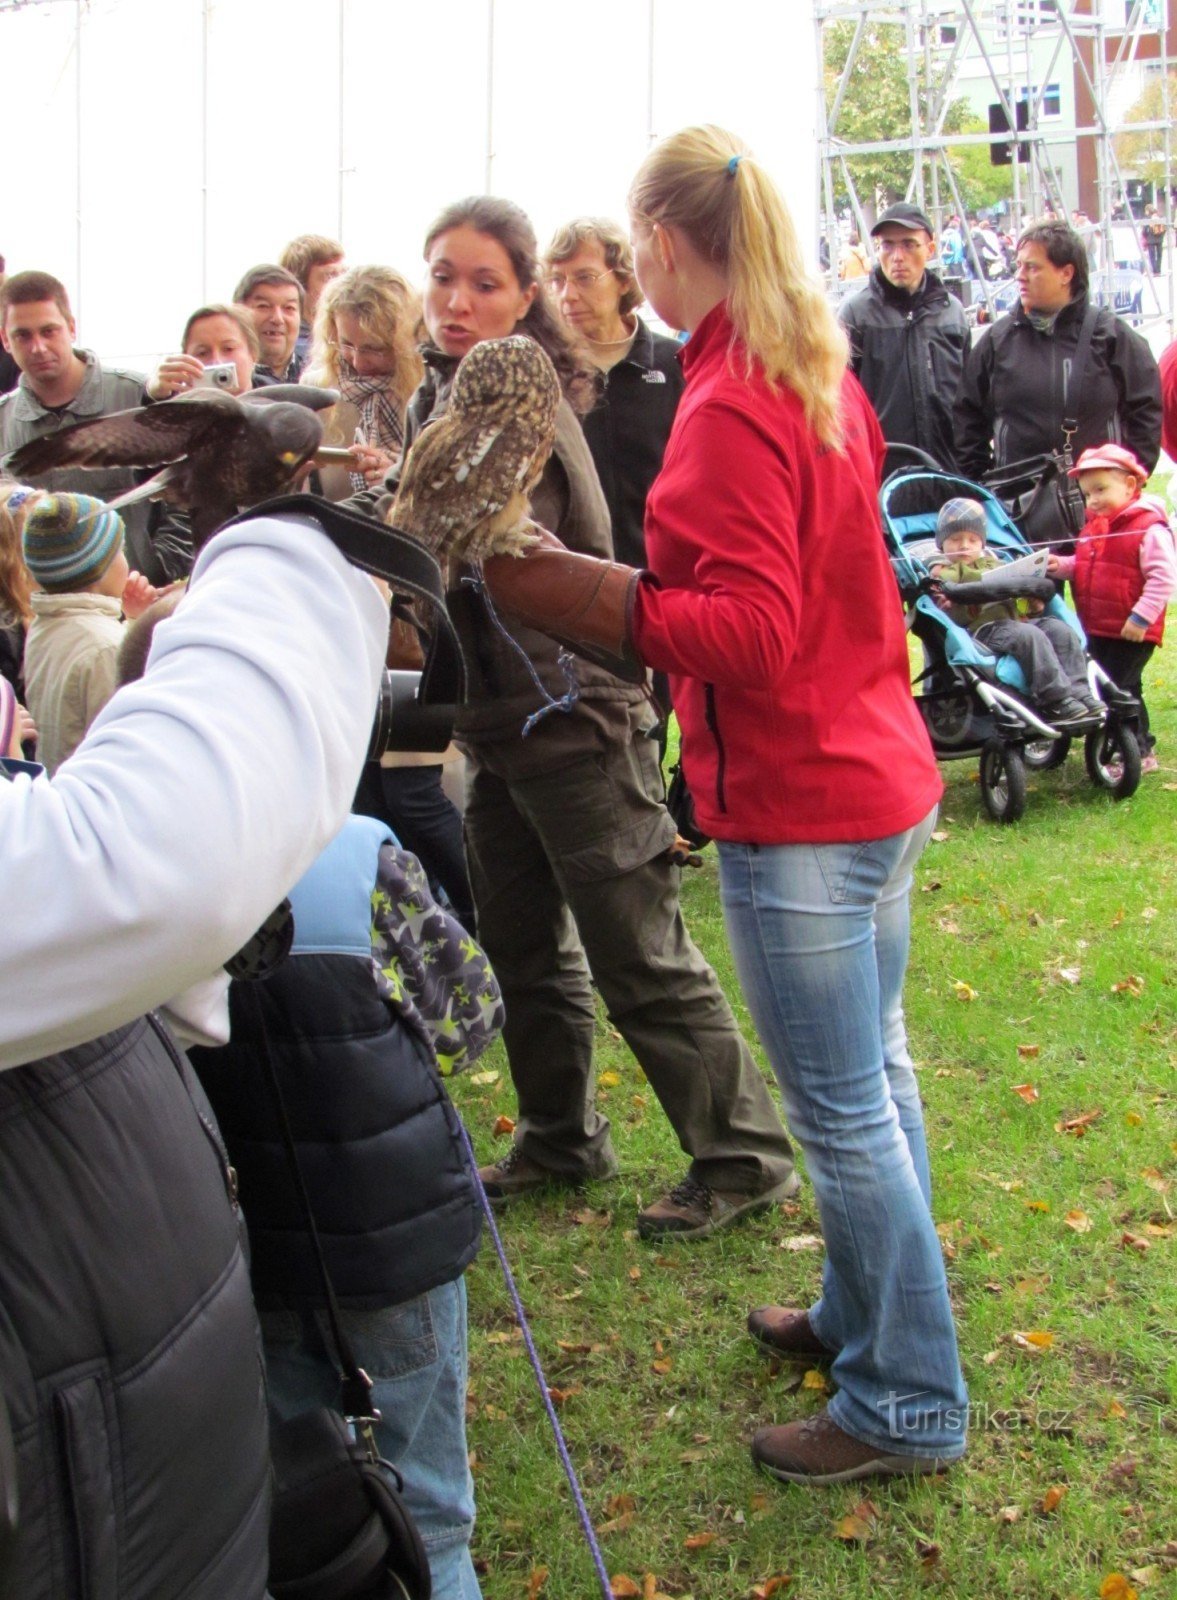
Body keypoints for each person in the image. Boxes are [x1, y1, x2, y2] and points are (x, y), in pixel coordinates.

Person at [480, 124, 968, 1483]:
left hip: (812, 800)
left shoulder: (742, 395)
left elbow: (752, 629)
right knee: (876, 1084)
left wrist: (591, 593)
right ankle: (863, 1318)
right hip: (868, 777)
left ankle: (906, 1404)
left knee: (847, 1114)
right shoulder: (797, 364)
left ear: (662, 242)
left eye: (630, 242)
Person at [351, 195, 797, 1241]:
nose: (455, 301)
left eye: (483, 282)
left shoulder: (520, 401)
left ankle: (743, 1154)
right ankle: (560, 1132)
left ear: (526, 296)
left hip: (575, 716)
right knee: (520, 943)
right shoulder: (442, 402)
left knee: (634, 949)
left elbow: (508, 560)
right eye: (441, 276)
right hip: (496, 724)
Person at [0, 500, 388, 1598]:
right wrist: (286, 536)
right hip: (84, 1511)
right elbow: (147, 871)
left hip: (142, 1460)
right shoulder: (352, 855)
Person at [189, 803, 503, 1600]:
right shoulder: (360, 851)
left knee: (300, 1503)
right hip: (392, 1242)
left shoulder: (118, 867)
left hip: (231, 1253)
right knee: (428, 1511)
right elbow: (468, 1020)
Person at [304, 265, 475, 931]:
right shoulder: (328, 401)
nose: (356, 361)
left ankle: (480, 911)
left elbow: (435, 511)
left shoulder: (427, 400)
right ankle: (413, 917)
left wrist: (392, 481)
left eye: (371, 347)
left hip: (412, 625)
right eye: (344, 346)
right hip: (352, 620)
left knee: (415, 787)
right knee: (370, 787)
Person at [543, 215, 684, 724]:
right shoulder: (542, 371)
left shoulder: (674, 363)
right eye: (555, 280)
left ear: (624, 279)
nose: (567, 294)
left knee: (667, 727)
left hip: (663, 586)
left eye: (583, 277)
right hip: (574, 590)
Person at [955, 221, 1162, 483]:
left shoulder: (1113, 337)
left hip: (1097, 508)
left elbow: (1146, 414)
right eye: (1018, 265)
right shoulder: (997, 341)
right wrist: (983, 486)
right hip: (1016, 508)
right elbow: (967, 417)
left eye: (1032, 267)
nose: (1020, 275)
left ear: (1066, 274)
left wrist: (1121, 485)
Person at [0, 270, 153, 570]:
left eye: (49, 331)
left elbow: (182, 496)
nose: (38, 347)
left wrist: (160, 567)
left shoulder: (136, 397)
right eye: (23, 335)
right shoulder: (2, 421)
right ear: (5, 339)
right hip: (40, 608)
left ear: (71, 328)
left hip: (135, 600)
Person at [1047, 444, 1176, 772]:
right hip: (1102, 627)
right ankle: (1130, 744)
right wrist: (1060, 565)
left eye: (1101, 490)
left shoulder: (1147, 527)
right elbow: (1087, 564)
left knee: (1118, 688)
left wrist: (1141, 617)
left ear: (1130, 486)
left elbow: (1163, 577)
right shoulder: (1097, 525)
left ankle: (1136, 750)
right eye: (1088, 494)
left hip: (1131, 629)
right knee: (1116, 687)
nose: (1093, 500)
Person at [20, 492, 161, 773]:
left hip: (57, 781)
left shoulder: (45, 625)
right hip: (98, 796)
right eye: (119, 550)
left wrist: (132, 621)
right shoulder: (104, 648)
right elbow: (125, 740)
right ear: (98, 568)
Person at [928, 497, 1100, 726]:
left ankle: (1079, 691)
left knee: (1059, 629)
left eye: (972, 539)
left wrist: (1031, 604)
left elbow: (1017, 603)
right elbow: (943, 596)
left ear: (982, 543)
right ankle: (1054, 699)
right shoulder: (948, 573)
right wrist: (939, 579)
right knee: (1029, 635)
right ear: (942, 544)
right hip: (985, 630)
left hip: (1016, 621)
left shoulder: (998, 565)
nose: (964, 546)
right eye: (955, 540)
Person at [838, 201, 969, 473]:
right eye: (887, 245)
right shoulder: (856, 315)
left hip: (948, 476)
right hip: (881, 479)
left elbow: (970, 403)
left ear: (930, 249)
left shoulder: (951, 313)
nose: (897, 256)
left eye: (909, 244)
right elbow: (837, 406)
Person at [233, 263, 305, 384]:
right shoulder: (226, 380)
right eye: (264, 306)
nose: (277, 319)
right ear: (238, 312)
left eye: (289, 308)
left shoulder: (318, 380)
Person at [279, 232, 346, 364]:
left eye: (344, 275)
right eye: (330, 276)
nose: (341, 285)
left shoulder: (351, 342)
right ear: (300, 285)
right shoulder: (290, 350)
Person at [1141, 205, 1166, 275]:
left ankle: (1154, 270)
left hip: (1150, 239)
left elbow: (1144, 231)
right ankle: (1158, 270)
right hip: (1160, 239)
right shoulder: (1159, 216)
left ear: (1148, 211)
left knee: (1152, 256)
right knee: (1159, 255)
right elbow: (1164, 227)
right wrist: (1161, 235)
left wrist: (1146, 236)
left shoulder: (1148, 219)